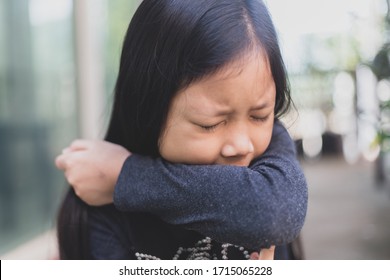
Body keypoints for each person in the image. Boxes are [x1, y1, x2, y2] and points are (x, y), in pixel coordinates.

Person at [55, 0, 308, 260]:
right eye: (209, 124)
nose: (242, 146)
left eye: (259, 116)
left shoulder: (269, 163)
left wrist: (127, 176)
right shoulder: (99, 209)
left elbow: (275, 214)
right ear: (147, 107)